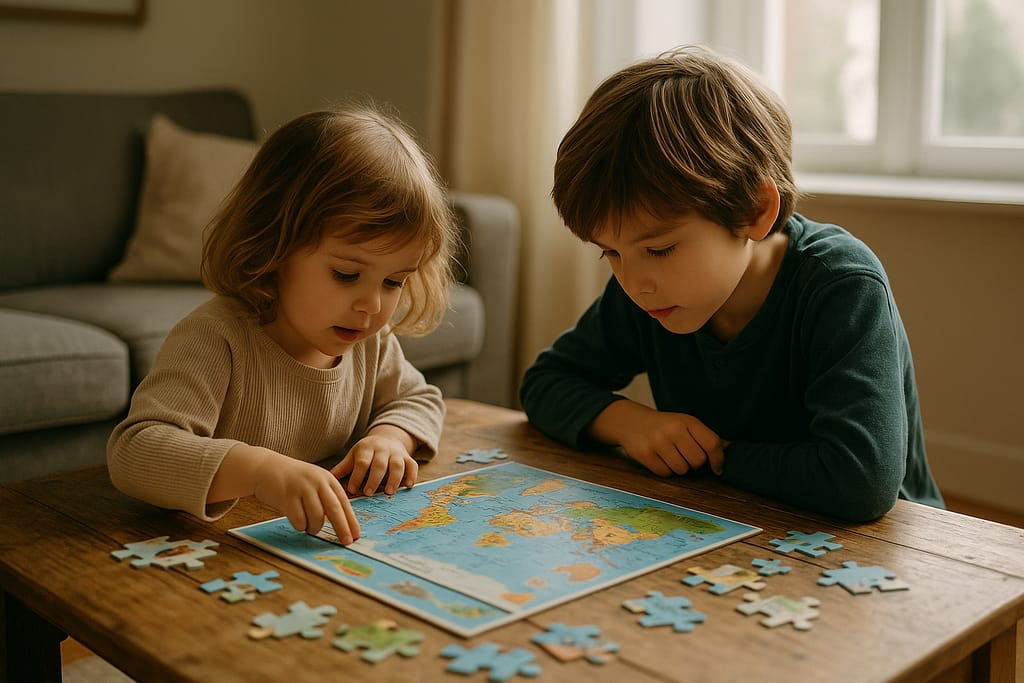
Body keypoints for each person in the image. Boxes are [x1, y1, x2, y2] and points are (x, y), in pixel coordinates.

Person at [520, 45, 944, 522]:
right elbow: (544, 383)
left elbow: (860, 481)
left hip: (889, 546)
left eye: (660, 250)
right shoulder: (649, 292)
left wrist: (717, 457)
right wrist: (626, 423)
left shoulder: (841, 286)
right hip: (732, 523)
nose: (634, 283)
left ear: (754, 211)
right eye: (610, 253)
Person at [108, 103, 460, 544]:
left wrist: (390, 438)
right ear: (273, 246)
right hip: (213, 549)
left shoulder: (371, 342)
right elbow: (135, 451)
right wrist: (259, 470)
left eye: (393, 282)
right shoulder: (216, 338)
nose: (371, 305)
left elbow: (419, 398)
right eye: (346, 274)